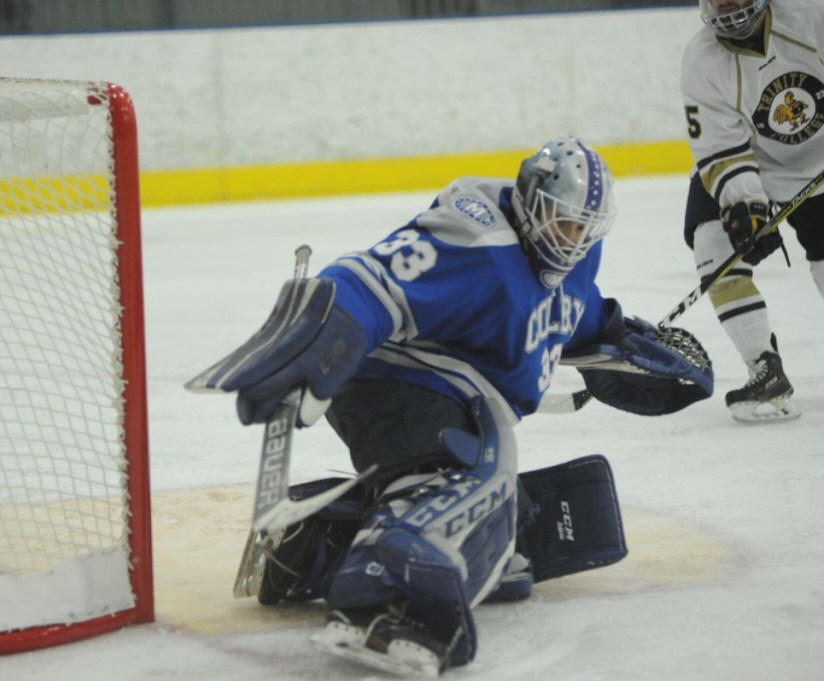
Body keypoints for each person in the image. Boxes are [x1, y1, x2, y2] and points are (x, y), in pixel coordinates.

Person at [187, 136, 713, 677]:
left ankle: (314, 544)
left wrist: (617, 338)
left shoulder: (576, 259)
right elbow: (370, 281)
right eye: (561, 221)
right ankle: (390, 595)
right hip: (396, 375)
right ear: (532, 201)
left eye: (583, 229)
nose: (570, 240)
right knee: (473, 479)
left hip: (461, 390)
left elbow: (565, 311)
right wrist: (325, 333)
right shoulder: (478, 236)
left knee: (502, 523)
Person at [680, 0, 824, 422]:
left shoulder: (810, 15)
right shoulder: (702, 60)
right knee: (714, 248)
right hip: (750, 163)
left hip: (817, 163)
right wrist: (746, 206)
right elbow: (720, 147)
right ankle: (764, 368)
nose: (727, 6)